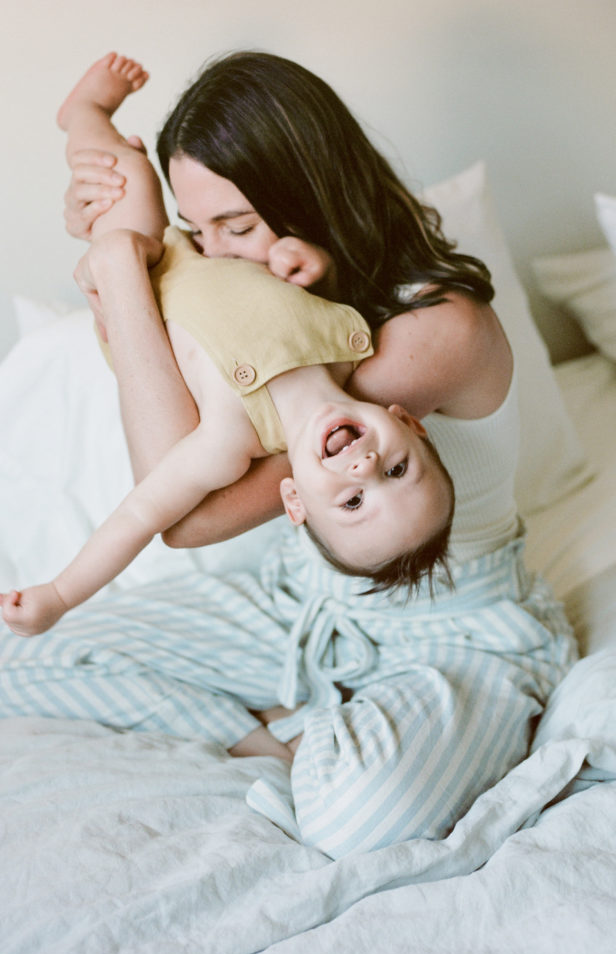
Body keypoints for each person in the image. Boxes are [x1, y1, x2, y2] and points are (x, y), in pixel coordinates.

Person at [0, 50, 577, 858]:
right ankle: (277, 741)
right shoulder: (285, 290)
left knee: (359, 818)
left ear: (309, 194)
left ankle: (346, 741)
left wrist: (123, 284)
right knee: (21, 659)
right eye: (198, 229)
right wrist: (118, 228)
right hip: (306, 603)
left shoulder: (433, 331)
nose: (217, 256)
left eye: (236, 225)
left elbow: (190, 518)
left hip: (454, 628)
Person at [0, 54, 454, 639]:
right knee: (118, 172)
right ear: (409, 423)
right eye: (395, 469)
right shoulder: (354, 344)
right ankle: (87, 113)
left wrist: (60, 594)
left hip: (145, 285)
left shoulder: (229, 443)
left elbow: (144, 513)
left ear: (293, 499)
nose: (365, 467)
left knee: (129, 178)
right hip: (173, 261)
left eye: (351, 502)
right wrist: (308, 263)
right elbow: (317, 288)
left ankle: (81, 116)